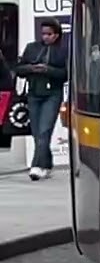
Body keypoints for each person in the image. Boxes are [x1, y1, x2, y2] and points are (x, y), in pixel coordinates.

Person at [15, 19, 68, 180]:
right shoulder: (32, 48)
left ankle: (36, 165)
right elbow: (19, 69)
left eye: (49, 34)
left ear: (56, 35)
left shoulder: (62, 51)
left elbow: (66, 74)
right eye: (43, 33)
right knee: (37, 133)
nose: (45, 37)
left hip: (52, 94)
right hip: (33, 93)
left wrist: (47, 70)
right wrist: (32, 68)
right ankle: (47, 164)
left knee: (45, 130)